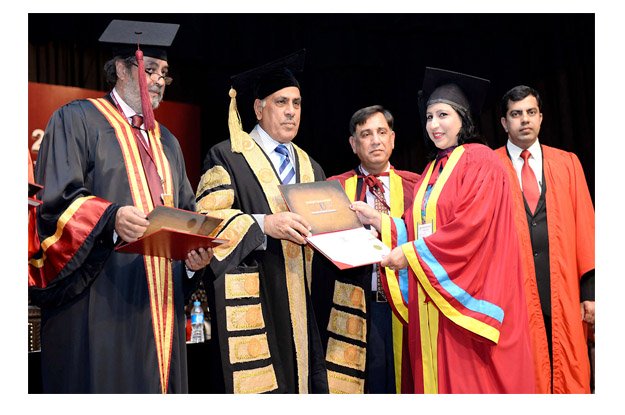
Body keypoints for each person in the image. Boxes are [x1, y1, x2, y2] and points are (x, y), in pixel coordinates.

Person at [28, 19, 212, 393]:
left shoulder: (169, 142)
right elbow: (52, 207)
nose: (159, 80)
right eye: (150, 70)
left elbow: (188, 216)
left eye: (164, 73)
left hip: (160, 306)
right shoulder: (76, 119)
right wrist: (110, 218)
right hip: (99, 301)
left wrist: (196, 258)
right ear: (123, 69)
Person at [351, 67, 535, 393]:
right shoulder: (434, 167)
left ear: (463, 118)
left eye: (443, 115)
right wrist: (380, 222)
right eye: (429, 117)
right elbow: (419, 227)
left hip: (467, 304)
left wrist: (409, 254)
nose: (434, 125)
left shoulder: (480, 161)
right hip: (434, 303)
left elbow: (470, 230)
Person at [195, 50, 328, 393]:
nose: (290, 111)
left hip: (305, 303)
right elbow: (206, 222)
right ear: (257, 108)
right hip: (257, 299)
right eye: (281, 101)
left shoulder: (312, 167)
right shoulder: (226, 156)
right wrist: (264, 225)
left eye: (297, 103)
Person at [310, 105, 419, 393]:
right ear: (353, 144)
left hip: (404, 308)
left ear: (393, 139)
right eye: (366, 134)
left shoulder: (417, 187)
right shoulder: (334, 188)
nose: (376, 140)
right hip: (354, 307)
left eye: (382, 132)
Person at [496, 85, 594, 393]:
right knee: (525, 376)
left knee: (570, 369)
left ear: (541, 117)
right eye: (516, 114)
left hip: (563, 289)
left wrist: (590, 291)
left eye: (530, 112)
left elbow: (586, 229)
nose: (524, 120)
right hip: (514, 295)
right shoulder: (490, 167)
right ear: (504, 122)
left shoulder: (567, 163)